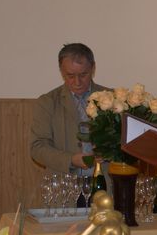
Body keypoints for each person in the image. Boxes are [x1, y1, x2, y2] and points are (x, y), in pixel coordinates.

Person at [30, 43, 110, 173]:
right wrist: (70, 160)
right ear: (61, 71)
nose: (77, 82)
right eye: (70, 76)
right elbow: (37, 148)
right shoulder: (47, 102)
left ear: (93, 68)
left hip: (106, 180)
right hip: (64, 181)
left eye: (83, 74)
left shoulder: (112, 99)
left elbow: (127, 144)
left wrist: (110, 152)